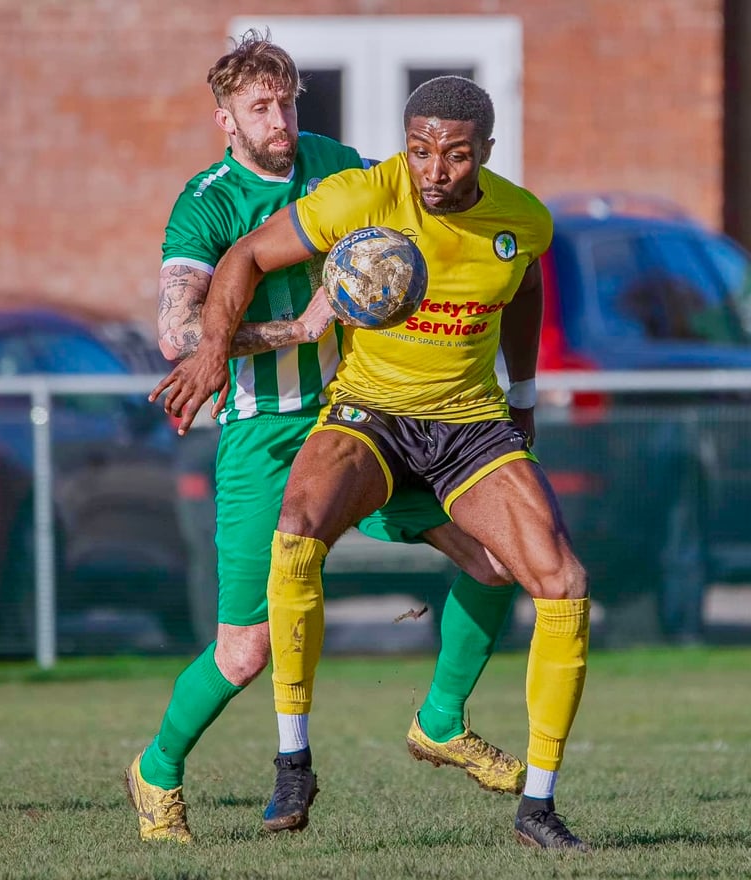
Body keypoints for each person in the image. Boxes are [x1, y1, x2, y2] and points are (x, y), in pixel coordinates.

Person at [153, 75, 592, 851]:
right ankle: (239, 765)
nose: (434, 170)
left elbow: (524, 282)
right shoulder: (306, 196)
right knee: (253, 628)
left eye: (456, 156)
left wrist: (522, 393)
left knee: (539, 577)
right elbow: (229, 273)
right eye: (420, 151)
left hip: (461, 425)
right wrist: (216, 350)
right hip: (336, 420)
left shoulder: (516, 217)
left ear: (486, 152)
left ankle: (513, 785)